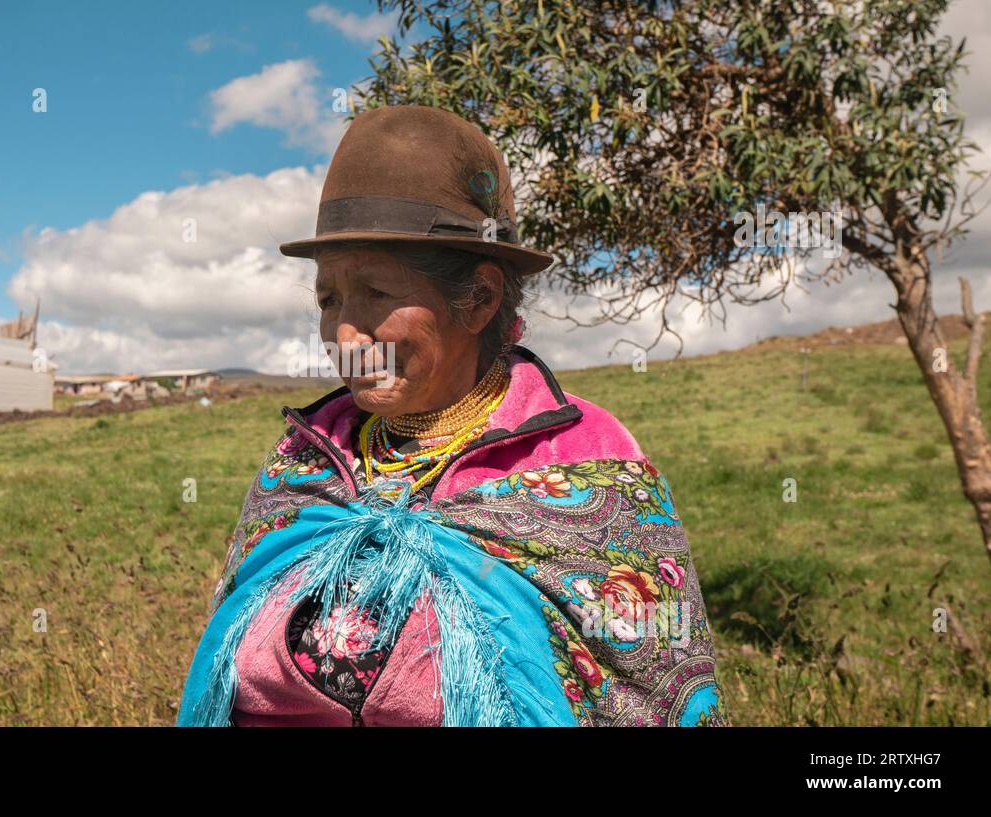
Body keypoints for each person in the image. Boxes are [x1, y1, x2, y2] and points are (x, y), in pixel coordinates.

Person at [178, 104, 728, 726]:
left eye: (378, 294)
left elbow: (649, 698)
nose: (344, 334)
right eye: (329, 299)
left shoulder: (592, 464)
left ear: (480, 299)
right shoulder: (303, 459)